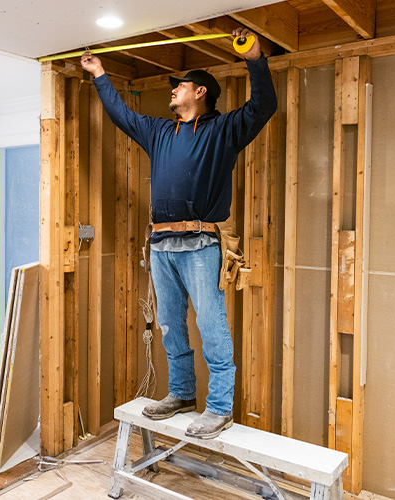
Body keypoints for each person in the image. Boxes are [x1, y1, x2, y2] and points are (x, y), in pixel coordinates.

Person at [80, 28, 276, 439]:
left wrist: (255, 58)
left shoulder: (223, 131)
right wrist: (99, 73)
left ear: (200, 92)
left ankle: (220, 406)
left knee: (211, 325)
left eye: (180, 86)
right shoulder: (159, 132)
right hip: (161, 245)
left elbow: (263, 106)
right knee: (170, 322)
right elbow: (122, 116)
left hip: (200, 244)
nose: (173, 91)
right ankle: (182, 393)